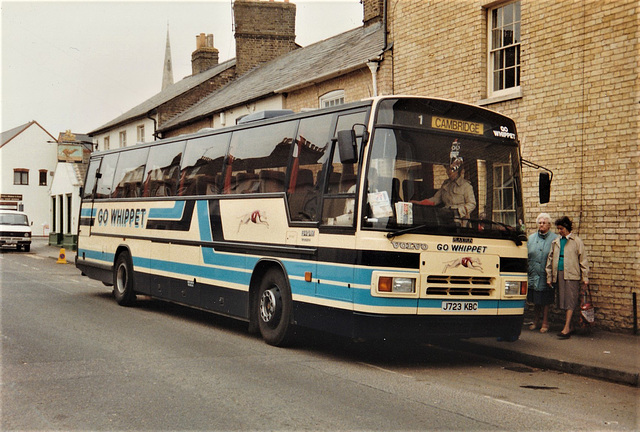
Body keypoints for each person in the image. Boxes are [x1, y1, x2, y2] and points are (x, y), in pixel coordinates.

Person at [546, 216, 589, 339]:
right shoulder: (556, 242)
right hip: (559, 273)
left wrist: (585, 277)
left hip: (572, 274)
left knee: (570, 300)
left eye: (562, 228)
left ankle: (566, 328)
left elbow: (583, 260)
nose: (560, 231)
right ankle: (571, 326)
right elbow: (550, 260)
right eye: (558, 229)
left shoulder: (576, 241)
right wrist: (549, 276)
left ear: (568, 228)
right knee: (563, 301)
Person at [527, 213, 558, 333]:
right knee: (536, 300)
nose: (541, 225)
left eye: (544, 223)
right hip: (534, 273)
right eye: (540, 222)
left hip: (546, 274)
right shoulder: (532, 238)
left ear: (549, 225)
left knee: (545, 300)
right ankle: (535, 320)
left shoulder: (555, 239)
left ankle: (545, 322)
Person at [428, 157, 476, 221]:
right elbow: (436, 199)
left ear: (457, 170)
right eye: (447, 168)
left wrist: (457, 211)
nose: (448, 171)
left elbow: (472, 204)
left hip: (460, 222)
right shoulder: (446, 184)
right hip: (445, 219)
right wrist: (420, 203)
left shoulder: (466, 186)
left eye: (451, 169)